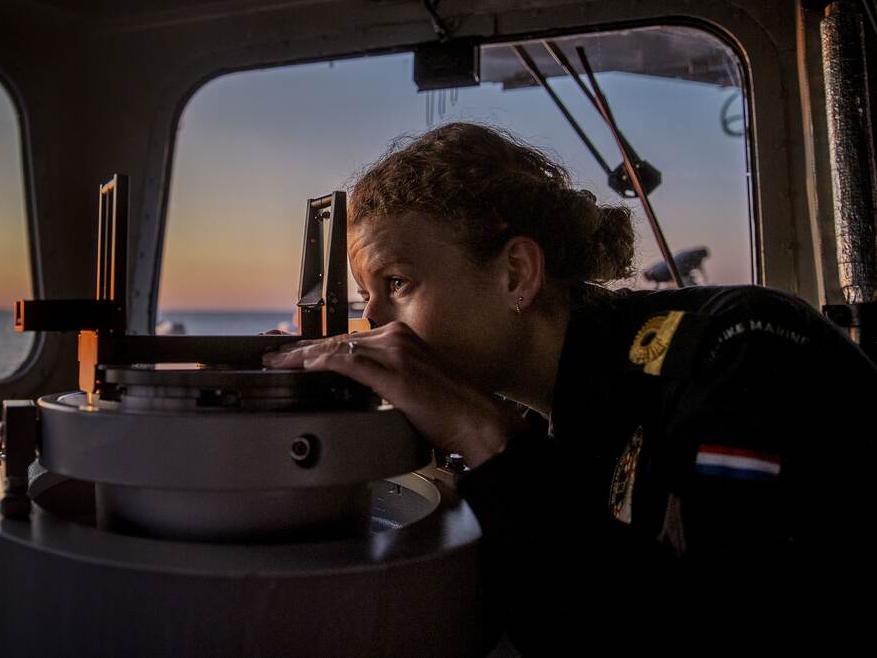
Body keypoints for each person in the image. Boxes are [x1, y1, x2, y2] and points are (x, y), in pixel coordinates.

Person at [264, 122, 876, 655]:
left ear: (516, 274)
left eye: (397, 283)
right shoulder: (560, 417)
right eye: (367, 295)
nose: (372, 319)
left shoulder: (738, 354)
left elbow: (704, 629)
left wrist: (485, 435)